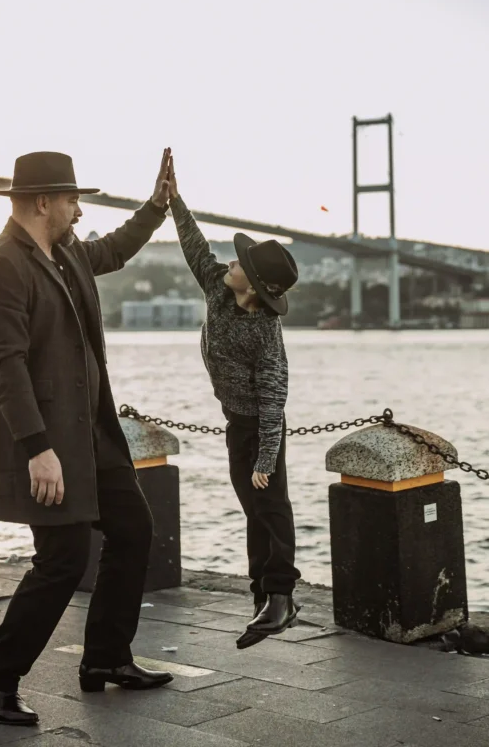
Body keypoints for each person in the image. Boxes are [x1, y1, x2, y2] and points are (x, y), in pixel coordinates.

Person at [0, 149, 174, 727]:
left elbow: (113, 248)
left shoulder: (69, 254)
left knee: (133, 529)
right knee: (62, 561)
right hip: (49, 446)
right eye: (72, 200)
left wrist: (155, 208)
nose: (79, 211)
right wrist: (37, 448)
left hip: (94, 437)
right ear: (42, 202)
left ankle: (106, 659)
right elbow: (4, 367)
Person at [167, 155, 301, 650]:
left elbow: (274, 400)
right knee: (251, 507)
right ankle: (260, 598)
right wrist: (174, 201)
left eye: (240, 264)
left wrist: (268, 456)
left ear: (255, 287)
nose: (231, 263)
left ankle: (282, 596)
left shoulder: (265, 332)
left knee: (270, 505)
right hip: (233, 420)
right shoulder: (218, 288)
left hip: (260, 425)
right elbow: (194, 246)